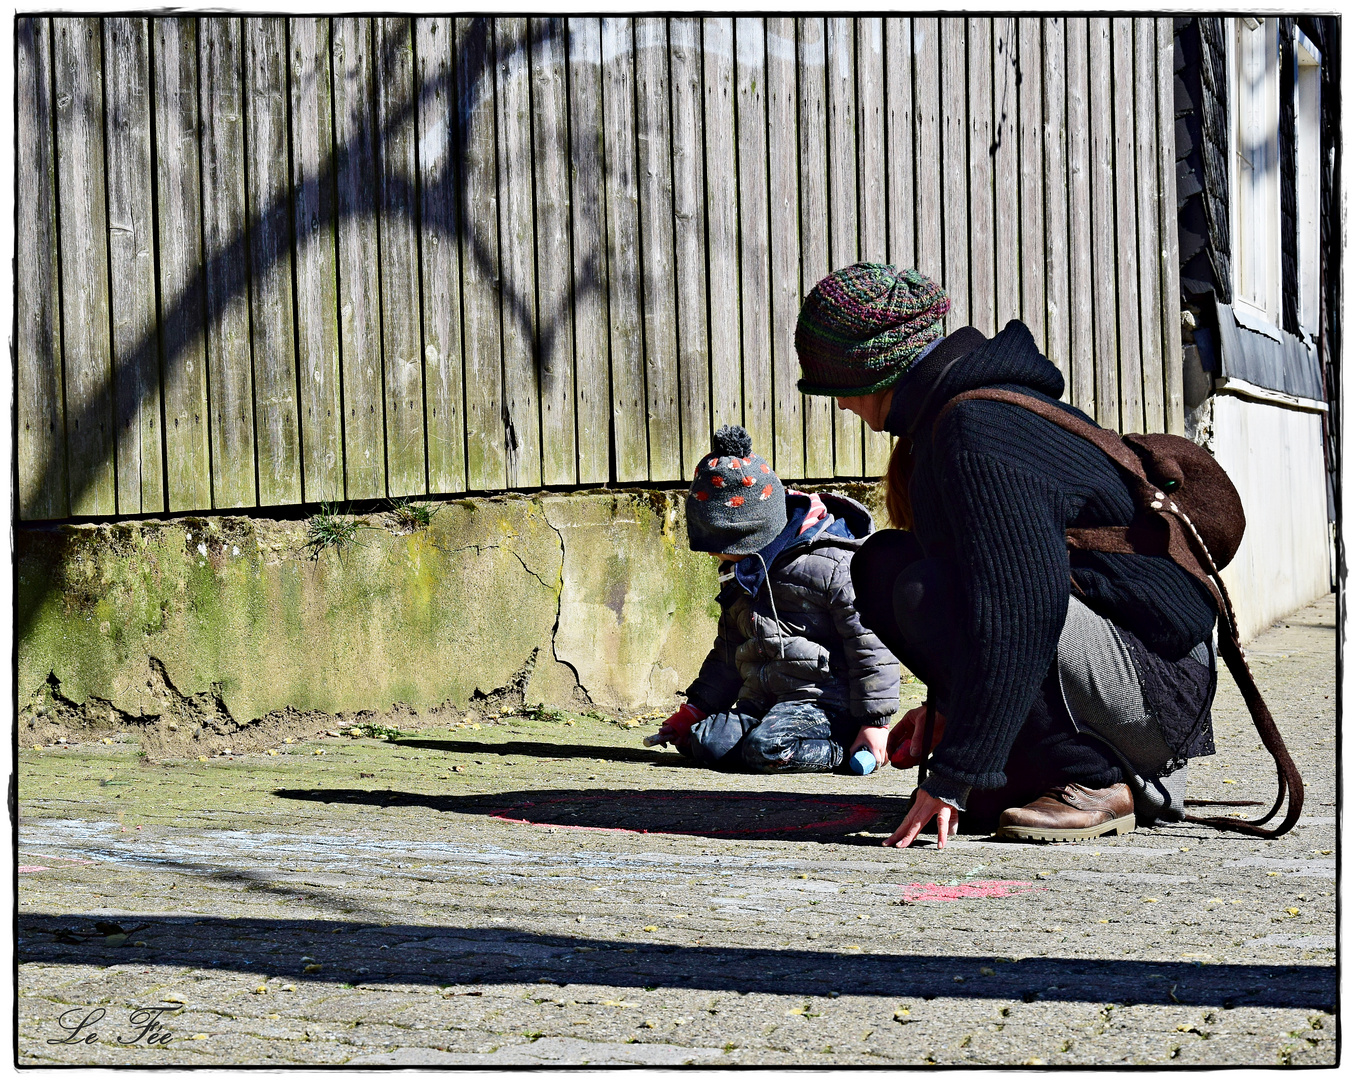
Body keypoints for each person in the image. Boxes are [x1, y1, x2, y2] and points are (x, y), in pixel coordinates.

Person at [794, 264, 1218, 846]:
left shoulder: (977, 427)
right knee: (884, 564)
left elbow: (1023, 608)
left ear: (872, 365)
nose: (839, 405)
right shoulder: (953, 418)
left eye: (835, 385)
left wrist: (957, 771)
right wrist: (952, 713)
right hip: (1111, 661)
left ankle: (1096, 777)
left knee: (925, 591)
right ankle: (1041, 761)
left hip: (1159, 689)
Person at [649, 424, 901, 773]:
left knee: (766, 749)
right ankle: (754, 740)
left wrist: (875, 722)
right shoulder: (740, 571)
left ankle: (844, 748)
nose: (712, 556)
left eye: (720, 545)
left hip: (824, 702)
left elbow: (869, 644)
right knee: (705, 742)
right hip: (764, 699)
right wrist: (697, 708)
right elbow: (729, 646)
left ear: (752, 534)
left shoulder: (831, 564)